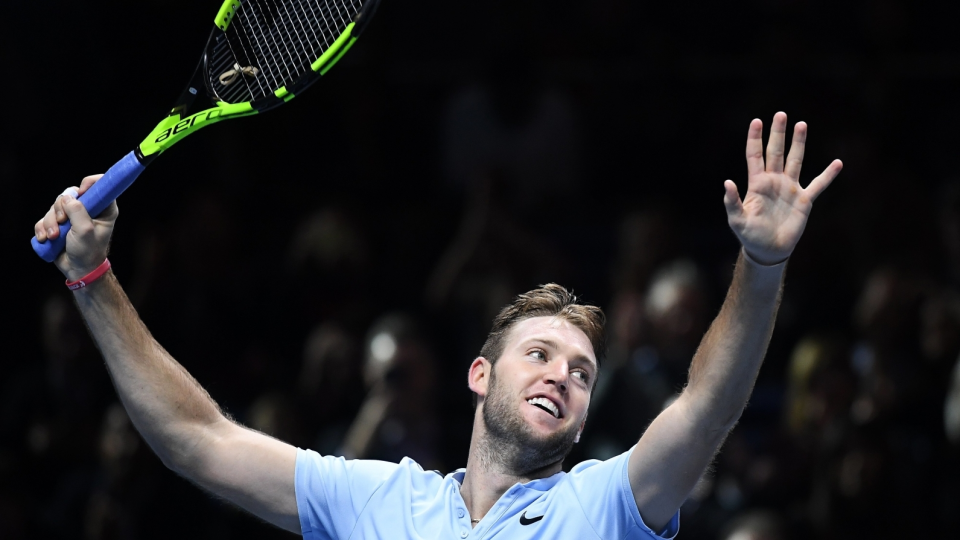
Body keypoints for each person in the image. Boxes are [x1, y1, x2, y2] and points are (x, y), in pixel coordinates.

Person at [33, 112, 842, 539]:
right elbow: (198, 439)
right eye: (541, 353)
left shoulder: (603, 508)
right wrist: (92, 279)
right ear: (479, 375)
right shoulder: (379, 500)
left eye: (584, 371)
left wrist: (761, 266)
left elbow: (707, 405)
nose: (564, 373)